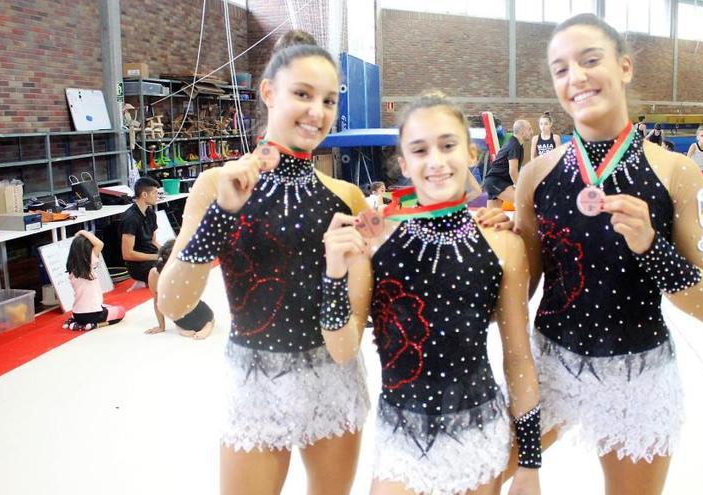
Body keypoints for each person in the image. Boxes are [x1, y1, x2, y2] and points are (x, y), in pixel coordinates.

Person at [156, 31, 512, 495]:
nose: (316, 111)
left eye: (328, 99)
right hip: (255, 382)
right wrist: (222, 214)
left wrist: (484, 212)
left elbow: (407, 253)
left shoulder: (345, 197)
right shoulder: (216, 183)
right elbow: (174, 299)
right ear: (268, 92)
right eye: (302, 95)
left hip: (332, 378)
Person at [516, 14, 703, 495]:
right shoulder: (536, 175)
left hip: (638, 374)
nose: (577, 77)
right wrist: (487, 248)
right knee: (480, 476)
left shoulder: (675, 173)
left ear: (625, 67)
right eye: (561, 69)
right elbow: (517, 292)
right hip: (553, 364)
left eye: (590, 60)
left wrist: (653, 248)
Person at [321, 92, 542, 495]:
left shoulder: (501, 242)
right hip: (401, 438)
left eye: (448, 145)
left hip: (478, 432)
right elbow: (341, 350)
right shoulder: (373, 240)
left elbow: (518, 357)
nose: (436, 161)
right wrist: (333, 277)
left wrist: (529, 463)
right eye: (420, 150)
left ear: (472, 154)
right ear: (403, 163)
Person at [145, 239, 214, 339]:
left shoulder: (154, 273)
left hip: (183, 313)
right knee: (205, 317)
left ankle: (204, 323)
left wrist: (161, 326)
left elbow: (157, 301)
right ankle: (208, 323)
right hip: (189, 313)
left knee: (194, 311)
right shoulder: (183, 270)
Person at [63, 230, 126, 331]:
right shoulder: (89, 264)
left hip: (77, 313)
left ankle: (76, 322)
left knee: (105, 306)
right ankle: (92, 325)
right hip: (94, 314)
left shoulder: (71, 270)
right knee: (121, 311)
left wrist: (77, 239)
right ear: (89, 252)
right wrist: (82, 232)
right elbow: (100, 243)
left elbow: (80, 246)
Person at [483, 119, 532, 208]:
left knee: (492, 218)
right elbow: (513, 171)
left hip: (496, 181)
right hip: (496, 182)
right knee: (524, 200)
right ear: (522, 131)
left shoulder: (517, 144)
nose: (531, 132)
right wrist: (520, 188)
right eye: (529, 129)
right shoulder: (514, 145)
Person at [120, 177, 161, 285]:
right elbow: (127, 254)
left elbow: (153, 241)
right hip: (138, 265)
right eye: (155, 193)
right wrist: (155, 257)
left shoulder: (151, 213)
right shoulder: (131, 218)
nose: (157, 196)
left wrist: (166, 252)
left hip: (152, 257)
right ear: (144, 195)